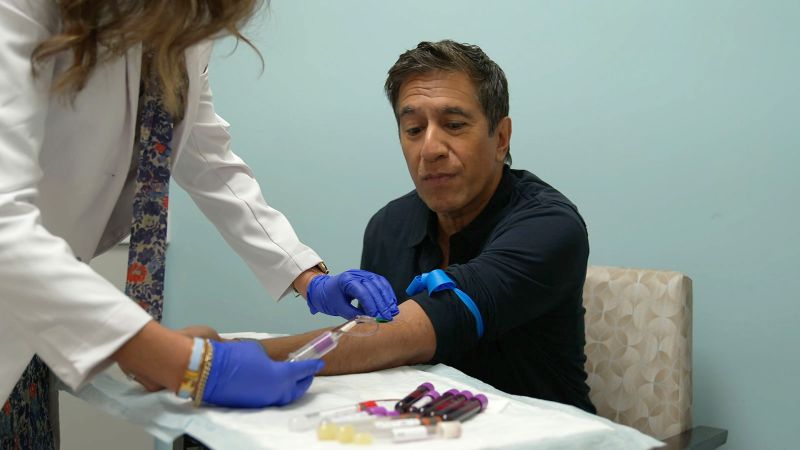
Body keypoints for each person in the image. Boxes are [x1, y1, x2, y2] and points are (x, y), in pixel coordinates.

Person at [0, 0, 398, 447]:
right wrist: (180, 361)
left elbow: (206, 156)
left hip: (36, 300)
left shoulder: (182, 30)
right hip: (23, 279)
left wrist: (306, 276)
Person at [259, 40, 595, 413]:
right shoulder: (388, 226)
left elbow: (405, 334)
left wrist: (227, 357)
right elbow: (372, 349)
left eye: (454, 125)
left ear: (501, 139)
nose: (430, 148)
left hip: (543, 431)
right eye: (414, 129)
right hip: (425, 426)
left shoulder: (549, 226)